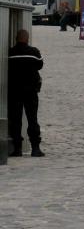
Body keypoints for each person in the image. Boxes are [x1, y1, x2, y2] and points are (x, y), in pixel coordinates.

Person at [7, 29, 44, 157]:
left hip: (14, 91)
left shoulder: (10, 53)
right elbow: (40, 65)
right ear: (27, 39)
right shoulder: (34, 52)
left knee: (15, 120)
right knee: (32, 119)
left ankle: (17, 149)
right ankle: (35, 148)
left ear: (16, 38)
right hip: (31, 91)